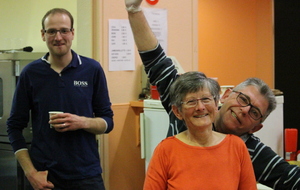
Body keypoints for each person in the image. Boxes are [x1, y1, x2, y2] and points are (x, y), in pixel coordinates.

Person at [124, 0, 300, 189]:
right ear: (225, 95)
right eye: (243, 99)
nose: (244, 110)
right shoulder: (192, 107)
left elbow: (292, 179)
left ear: (255, 128)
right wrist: (134, 10)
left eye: (254, 112)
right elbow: (156, 61)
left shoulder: (247, 151)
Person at [6, 8, 113, 190]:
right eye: (51, 31)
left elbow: (108, 122)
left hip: (87, 174)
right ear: (43, 34)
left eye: (64, 30)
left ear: (72, 33)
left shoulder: (92, 69)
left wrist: (82, 122)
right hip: (45, 177)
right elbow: (14, 127)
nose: (58, 37)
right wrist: (31, 173)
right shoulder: (30, 73)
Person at [144, 72, 257, 189]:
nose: (200, 107)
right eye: (191, 101)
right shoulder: (165, 150)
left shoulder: (236, 147)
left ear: (215, 104)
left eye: (206, 99)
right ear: (177, 111)